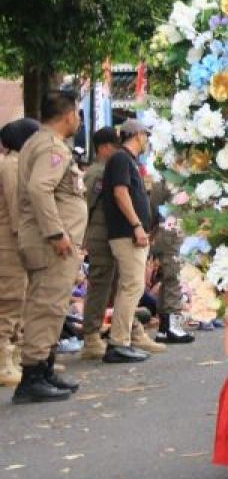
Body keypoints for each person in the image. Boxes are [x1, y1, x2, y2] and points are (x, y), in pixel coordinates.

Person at [13, 92, 87, 403]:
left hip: (50, 243)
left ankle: (44, 368)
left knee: (53, 305)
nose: (79, 120)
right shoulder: (51, 146)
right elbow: (40, 188)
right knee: (46, 306)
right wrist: (56, 233)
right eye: (78, 114)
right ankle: (32, 375)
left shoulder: (39, 142)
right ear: (69, 115)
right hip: (50, 244)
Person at [99, 120, 153, 364]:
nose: (148, 141)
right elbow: (120, 194)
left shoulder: (128, 160)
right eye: (146, 135)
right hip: (126, 233)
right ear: (138, 135)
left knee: (131, 286)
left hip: (130, 233)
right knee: (132, 286)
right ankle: (119, 342)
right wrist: (136, 225)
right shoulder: (121, 159)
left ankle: (122, 339)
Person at [0, 119, 41, 387]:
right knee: (10, 299)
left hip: (14, 239)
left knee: (21, 298)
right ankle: (3, 361)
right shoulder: (12, 165)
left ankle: (13, 358)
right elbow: (17, 210)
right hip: (10, 241)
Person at [149, 177, 193, 344]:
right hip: (171, 231)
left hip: (175, 230)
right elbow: (154, 206)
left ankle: (164, 328)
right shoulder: (168, 179)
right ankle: (172, 326)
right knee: (174, 278)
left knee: (168, 279)